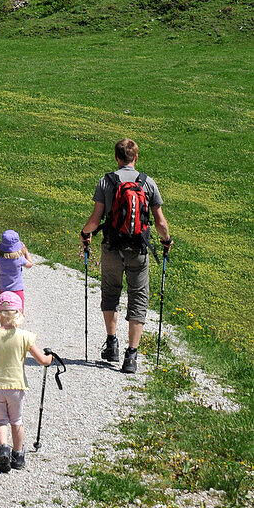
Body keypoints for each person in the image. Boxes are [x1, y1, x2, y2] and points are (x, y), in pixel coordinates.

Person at [80, 137, 172, 375]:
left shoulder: (106, 181)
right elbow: (160, 222)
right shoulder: (148, 183)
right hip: (139, 250)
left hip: (112, 246)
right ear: (136, 157)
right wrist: (166, 240)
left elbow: (95, 219)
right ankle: (131, 356)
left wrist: (85, 233)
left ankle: (112, 345)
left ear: (116, 158)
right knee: (138, 297)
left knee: (110, 292)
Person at [0, 290, 53, 473]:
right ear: (19, 314)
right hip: (16, 387)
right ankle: (18, 455)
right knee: (16, 420)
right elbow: (43, 360)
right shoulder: (25, 336)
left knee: (0, 421)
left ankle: (3, 450)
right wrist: (50, 358)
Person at [0, 229, 34, 310]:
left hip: (3, 288)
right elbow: (30, 264)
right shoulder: (19, 259)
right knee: (19, 310)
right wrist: (26, 251)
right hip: (17, 288)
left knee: (5, 309)